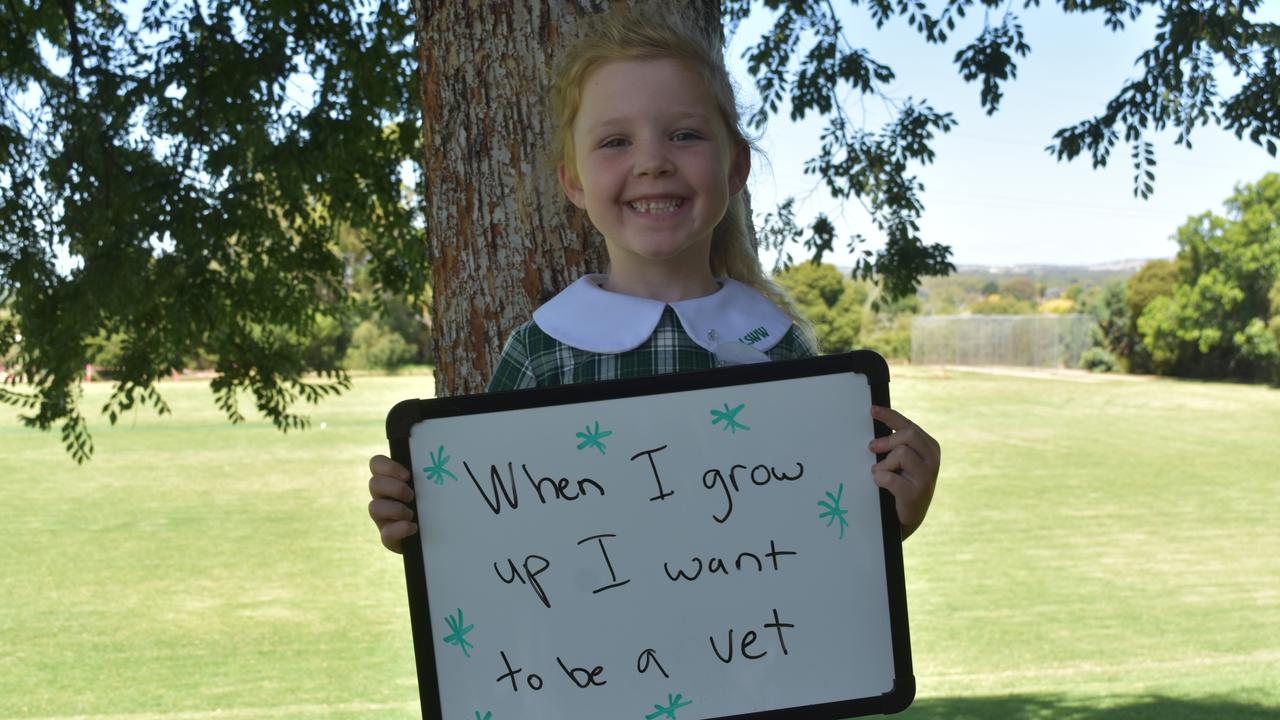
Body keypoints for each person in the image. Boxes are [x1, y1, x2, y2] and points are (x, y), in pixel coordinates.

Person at [367, 7, 939, 553]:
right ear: (574, 181)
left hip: (756, 641)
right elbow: (494, 532)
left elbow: (817, 533)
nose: (652, 162)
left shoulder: (776, 346)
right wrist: (423, 520)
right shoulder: (542, 354)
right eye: (615, 141)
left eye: (684, 135)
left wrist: (896, 511)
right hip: (587, 656)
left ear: (735, 166)